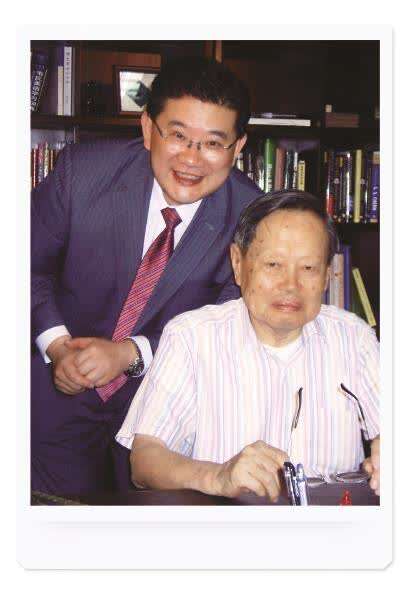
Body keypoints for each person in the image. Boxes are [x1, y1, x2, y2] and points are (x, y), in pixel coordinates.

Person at [31, 56, 261, 495]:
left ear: (238, 147)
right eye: (178, 136)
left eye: (213, 143)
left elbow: (231, 323)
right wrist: (59, 347)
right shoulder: (82, 174)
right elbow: (25, 266)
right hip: (57, 397)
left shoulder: (253, 216)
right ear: (147, 128)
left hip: (167, 414)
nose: (191, 159)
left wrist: (128, 354)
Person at [117, 190, 380, 502]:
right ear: (238, 263)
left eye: (308, 267)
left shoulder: (354, 339)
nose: (290, 285)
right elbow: (145, 460)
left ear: (326, 275)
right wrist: (218, 476)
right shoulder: (192, 338)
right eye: (273, 264)